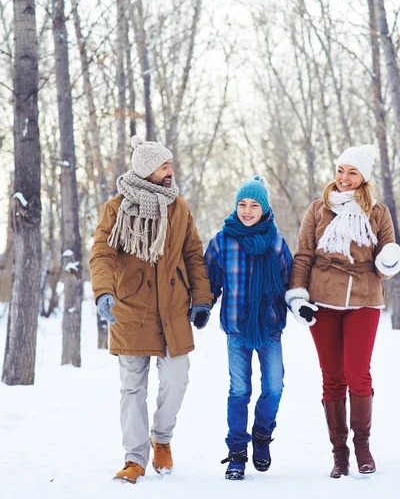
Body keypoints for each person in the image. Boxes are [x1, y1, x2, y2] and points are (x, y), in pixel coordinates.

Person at [90, 136, 213, 484]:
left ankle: (162, 438)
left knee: (177, 379)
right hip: (130, 309)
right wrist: (103, 293)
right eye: (164, 167)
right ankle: (134, 458)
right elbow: (102, 254)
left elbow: (194, 256)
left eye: (170, 165)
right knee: (132, 388)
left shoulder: (179, 208)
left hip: (173, 309)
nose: (171, 172)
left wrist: (201, 300)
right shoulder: (116, 209)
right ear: (146, 171)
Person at [286, 144, 400, 478]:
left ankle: (362, 445)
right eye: (340, 170)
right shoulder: (318, 209)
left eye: (352, 172)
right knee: (332, 377)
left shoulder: (377, 213)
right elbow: (304, 255)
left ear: (363, 177)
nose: (344, 178)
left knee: (357, 373)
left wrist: (390, 260)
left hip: (364, 298)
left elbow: (384, 265)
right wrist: (298, 296)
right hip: (323, 300)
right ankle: (340, 453)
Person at [204, 176, 293, 480]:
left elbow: (288, 285)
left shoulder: (277, 243)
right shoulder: (221, 241)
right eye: (242, 204)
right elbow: (209, 283)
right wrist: (203, 306)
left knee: (274, 387)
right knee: (239, 390)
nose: (247, 210)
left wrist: (299, 305)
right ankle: (237, 453)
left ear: (264, 208)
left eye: (254, 205)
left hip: (269, 328)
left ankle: (262, 437)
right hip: (236, 328)